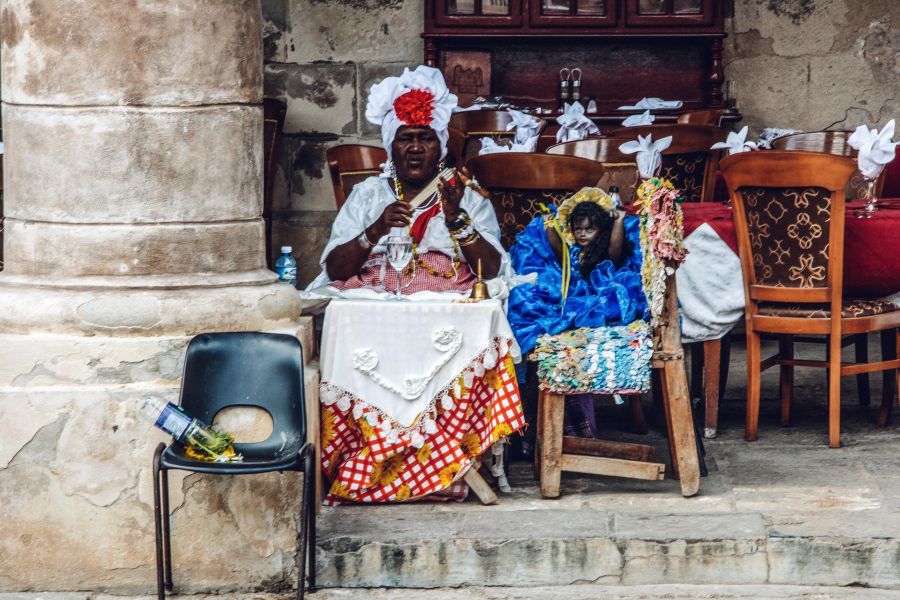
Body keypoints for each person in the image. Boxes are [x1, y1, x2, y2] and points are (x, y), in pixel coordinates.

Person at [306, 65, 509, 294]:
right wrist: (376, 230)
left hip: (448, 302)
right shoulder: (368, 195)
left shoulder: (465, 197)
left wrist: (456, 219)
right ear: (391, 148)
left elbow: (492, 271)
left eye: (426, 138)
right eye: (405, 139)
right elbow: (335, 270)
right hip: (375, 299)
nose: (415, 148)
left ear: (440, 148)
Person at [507, 187, 648, 440]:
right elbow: (558, 248)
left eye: (589, 229)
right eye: (578, 229)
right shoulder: (572, 251)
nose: (583, 234)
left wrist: (618, 222)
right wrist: (549, 224)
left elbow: (616, 249)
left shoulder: (605, 251)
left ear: (601, 230)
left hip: (597, 297)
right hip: (571, 294)